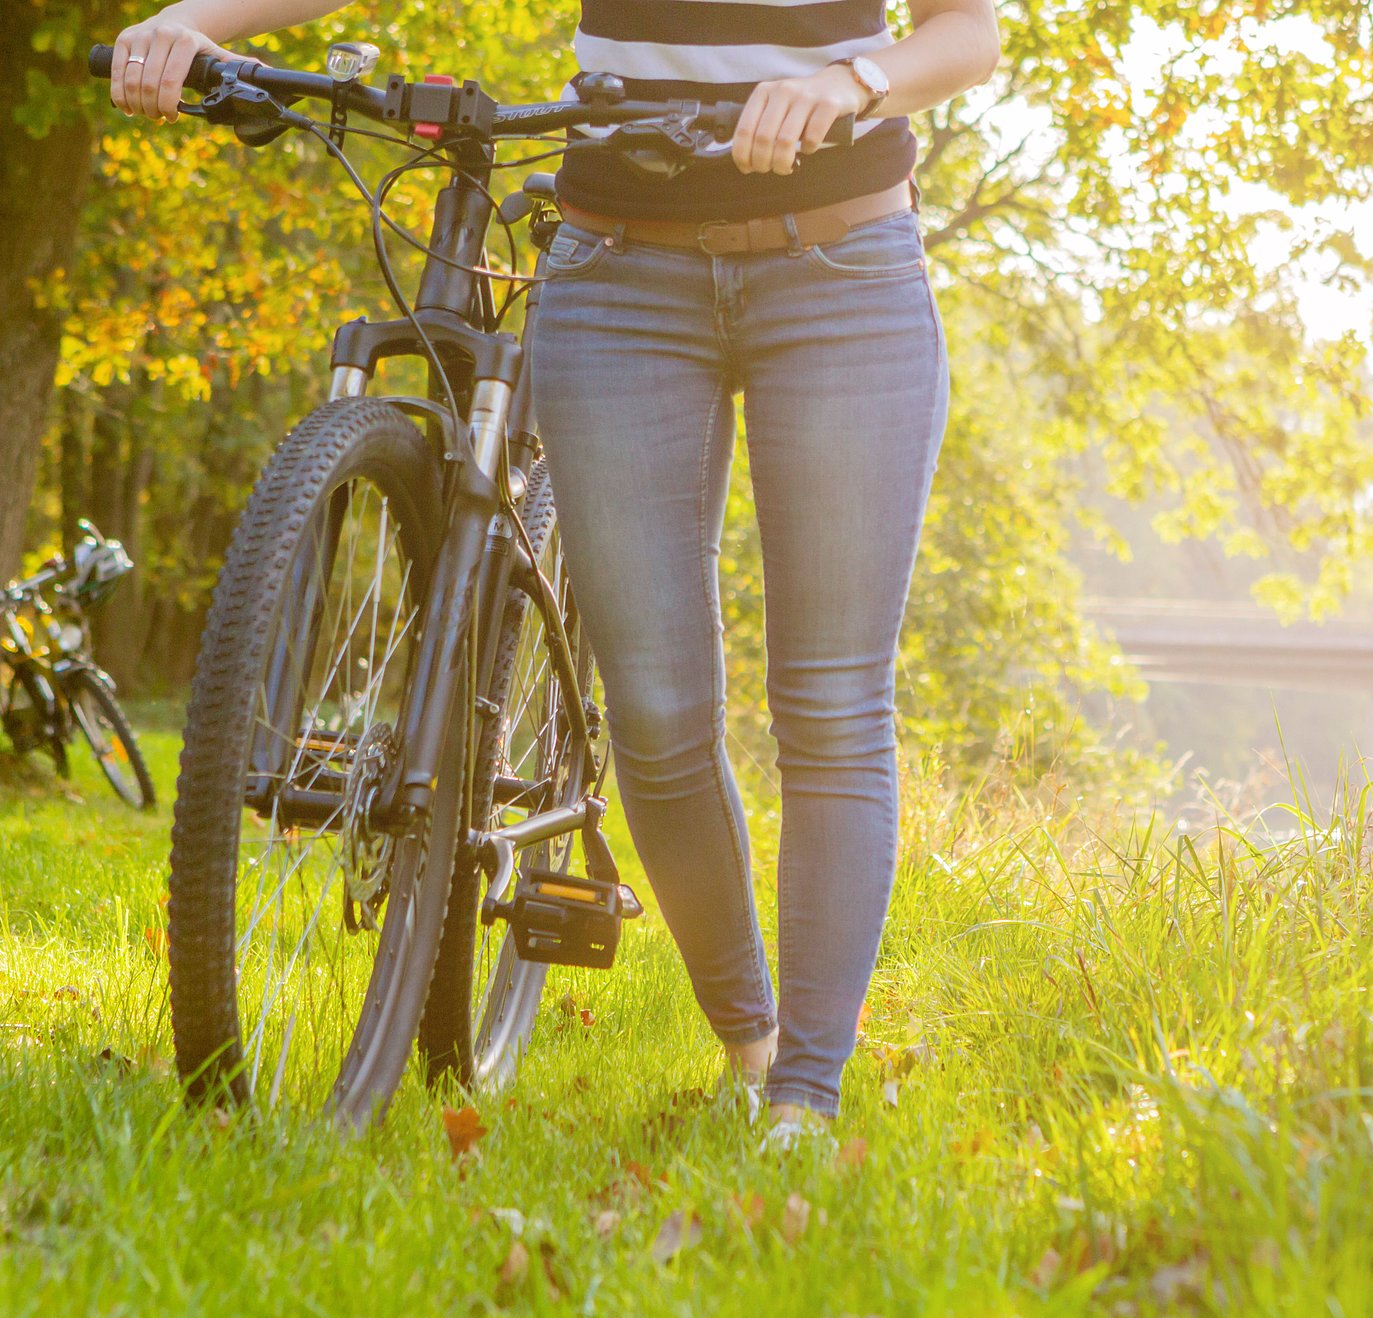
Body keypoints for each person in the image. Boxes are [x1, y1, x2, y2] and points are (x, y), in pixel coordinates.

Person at [112, 0, 1000, 1144]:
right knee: (658, 718)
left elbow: (964, 32)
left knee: (829, 704)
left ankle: (803, 1097)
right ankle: (752, 1039)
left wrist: (853, 85)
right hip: (621, 283)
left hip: (841, 276)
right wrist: (196, 18)